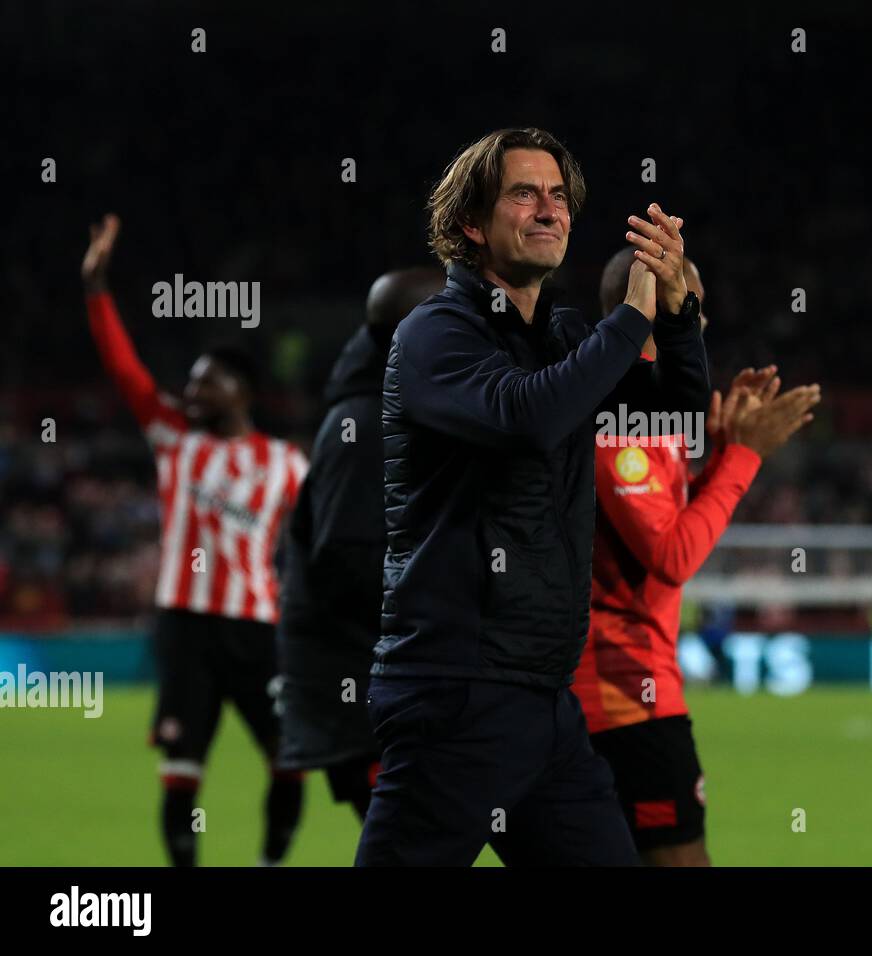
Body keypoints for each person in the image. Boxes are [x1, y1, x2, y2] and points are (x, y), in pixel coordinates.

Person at [354, 127, 710, 866]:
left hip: (547, 701)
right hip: (455, 691)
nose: (549, 209)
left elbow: (674, 414)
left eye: (559, 196)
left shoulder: (562, 337)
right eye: (524, 193)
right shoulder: (435, 336)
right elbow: (530, 418)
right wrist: (632, 320)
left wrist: (674, 314)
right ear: (471, 225)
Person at [574, 248, 820, 865]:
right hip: (624, 695)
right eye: (693, 304)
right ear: (656, 306)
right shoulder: (618, 424)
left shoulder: (646, 417)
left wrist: (722, 457)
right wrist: (744, 458)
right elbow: (674, 555)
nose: (702, 322)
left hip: (628, 688)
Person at [81, 214, 308, 866]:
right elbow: (125, 371)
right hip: (184, 627)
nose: (193, 388)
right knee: (182, 768)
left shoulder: (286, 464)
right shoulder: (173, 438)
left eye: (207, 379)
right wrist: (97, 289)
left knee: (287, 756)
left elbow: (323, 539)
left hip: (257, 630)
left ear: (240, 391)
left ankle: (270, 863)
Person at [275, 268, 445, 822]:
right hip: (359, 693)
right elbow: (345, 562)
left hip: (380, 682)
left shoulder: (393, 411)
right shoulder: (363, 425)